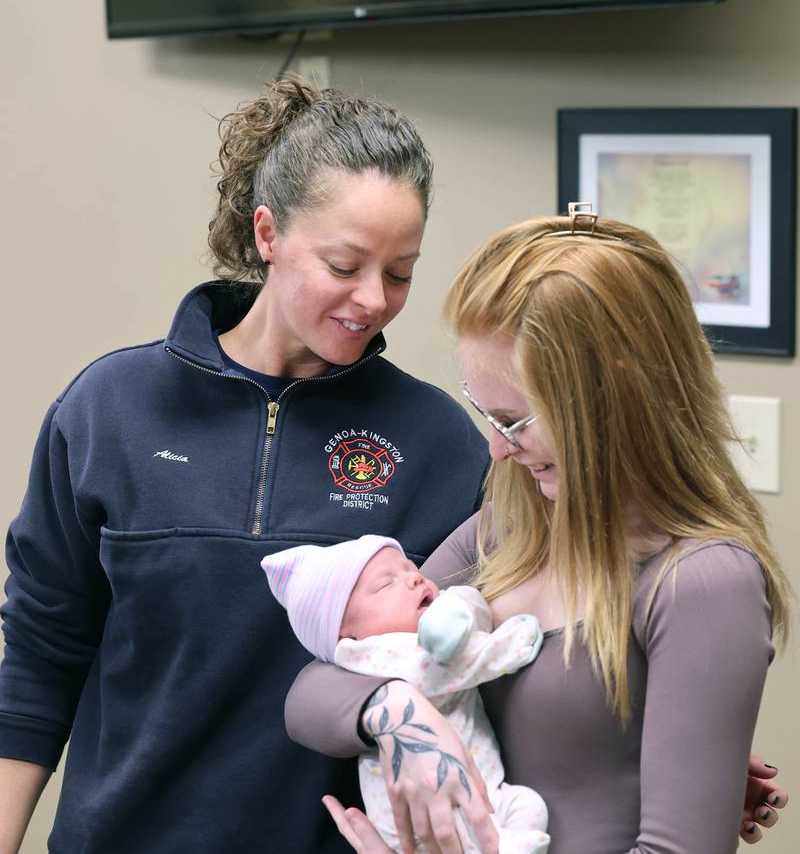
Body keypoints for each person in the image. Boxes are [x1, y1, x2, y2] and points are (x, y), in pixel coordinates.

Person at [0, 77, 491, 853]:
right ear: (268, 233)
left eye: (400, 272)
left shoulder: (439, 442)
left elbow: (496, 654)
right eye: (344, 263)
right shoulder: (107, 411)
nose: (373, 298)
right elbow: (40, 655)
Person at [286, 207, 793, 854]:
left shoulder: (701, 581)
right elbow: (316, 685)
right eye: (484, 413)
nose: (497, 451)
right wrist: (400, 714)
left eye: (515, 420)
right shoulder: (511, 525)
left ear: (615, 391)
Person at [261, 534, 550, 854]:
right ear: (346, 632)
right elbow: (457, 666)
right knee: (520, 810)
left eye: (411, 567)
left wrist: (461, 605)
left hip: (476, 798)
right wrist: (512, 643)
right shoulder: (376, 654)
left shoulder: (406, 636)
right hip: (434, 815)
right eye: (386, 584)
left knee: (525, 806)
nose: (414, 577)